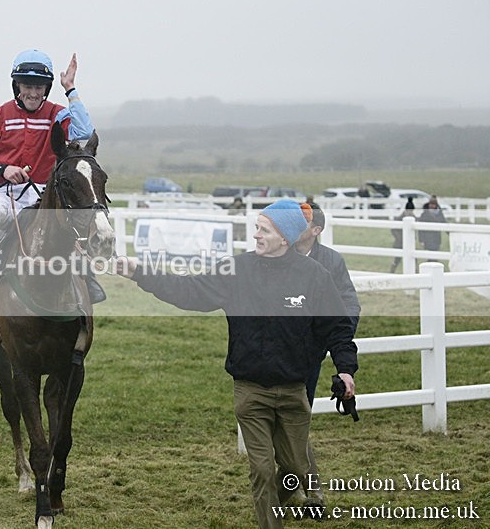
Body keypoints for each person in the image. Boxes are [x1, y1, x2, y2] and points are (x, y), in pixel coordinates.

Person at [115, 199, 358, 529]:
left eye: (263, 229)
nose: (255, 235)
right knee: (261, 470)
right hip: (250, 392)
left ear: (285, 238)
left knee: (295, 470)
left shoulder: (313, 276)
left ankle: (272, 503)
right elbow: (189, 290)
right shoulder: (237, 270)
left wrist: (345, 368)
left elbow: (338, 327)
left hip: (293, 392)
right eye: (256, 227)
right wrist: (138, 272)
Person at [0, 49, 100, 309]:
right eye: (27, 86)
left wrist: (70, 89)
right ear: (17, 86)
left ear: (47, 88)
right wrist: (1, 170)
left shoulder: (57, 115)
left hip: (44, 194)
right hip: (7, 194)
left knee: (73, 213)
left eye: (39, 87)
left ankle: (88, 276)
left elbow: (84, 132)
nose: (33, 93)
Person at [277, 202, 361, 509]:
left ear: (316, 231)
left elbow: (348, 305)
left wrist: (338, 342)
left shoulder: (331, 262)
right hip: (276, 353)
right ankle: (304, 490)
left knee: (295, 423)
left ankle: (304, 491)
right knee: (287, 424)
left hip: (309, 356)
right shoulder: (277, 255)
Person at [417, 195, 447, 262]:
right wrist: (421, 240)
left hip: (436, 238)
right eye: (431, 204)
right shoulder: (425, 214)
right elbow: (420, 228)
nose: (432, 206)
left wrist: (450, 232)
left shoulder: (439, 213)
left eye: (433, 204)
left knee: (435, 255)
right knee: (431, 256)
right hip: (428, 238)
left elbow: (444, 223)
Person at [389, 197, 415, 273]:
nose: (410, 213)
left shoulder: (414, 218)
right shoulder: (399, 218)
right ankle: (391, 272)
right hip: (399, 243)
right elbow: (393, 229)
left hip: (410, 243)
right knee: (396, 260)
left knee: (413, 259)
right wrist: (399, 238)